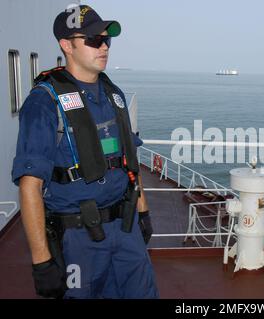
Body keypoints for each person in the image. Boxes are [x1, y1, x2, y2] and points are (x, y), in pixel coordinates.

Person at [11, 4, 159, 299]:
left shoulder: (112, 93)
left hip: (126, 228)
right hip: (78, 239)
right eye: (93, 40)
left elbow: (129, 159)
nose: (104, 46)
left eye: (107, 39)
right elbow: (30, 186)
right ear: (67, 45)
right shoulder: (44, 102)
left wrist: (143, 214)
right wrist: (42, 262)